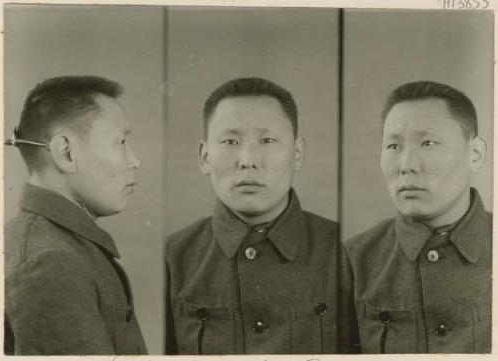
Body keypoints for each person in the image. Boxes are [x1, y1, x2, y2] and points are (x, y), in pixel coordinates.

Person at [164, 77, 358, 355]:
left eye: (267, 140)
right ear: (205, 157)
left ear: (298, 153)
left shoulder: (347, 252)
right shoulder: (173, 259)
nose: (248, 159)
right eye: (230, 141)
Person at [343, 81, 491, 353]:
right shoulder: (353, 260)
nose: (407, 165)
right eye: (393, 146)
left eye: (427, 143)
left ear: (476, 154)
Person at [4, 76, 147, 355]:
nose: (135, 161)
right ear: (66, 153)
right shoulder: (50, 262)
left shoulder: (57, 245)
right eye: (121, 142)